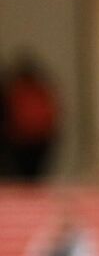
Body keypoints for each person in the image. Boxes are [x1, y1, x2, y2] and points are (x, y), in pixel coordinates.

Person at [2, 52, 60, 182]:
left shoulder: (21, 90)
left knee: (27, 176)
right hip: (34, 140)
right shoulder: (35, 89)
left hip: (28, 140)